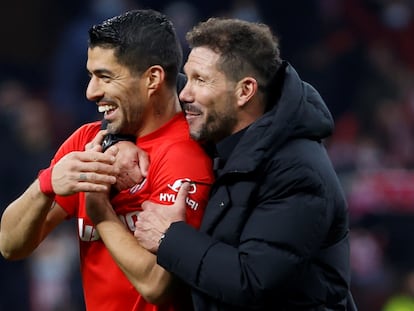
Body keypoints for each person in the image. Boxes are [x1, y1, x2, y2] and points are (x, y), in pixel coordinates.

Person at [133, 17, 354, 310]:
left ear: (245, 91)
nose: (185, 94)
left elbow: (251, 280)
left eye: (200, 79)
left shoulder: (298, 171)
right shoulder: (217, 135)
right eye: (188, 76)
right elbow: (142, 104)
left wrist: (169, 237)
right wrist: (122, 142)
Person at [0, 9, 214, 311]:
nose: (91, 92)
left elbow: (157, 283)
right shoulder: (89, 141)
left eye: (105, 76)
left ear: (152, 78)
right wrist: (46, 184)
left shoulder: (186, 154)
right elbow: (10, 245)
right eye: (90, 75)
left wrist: (100, 212)